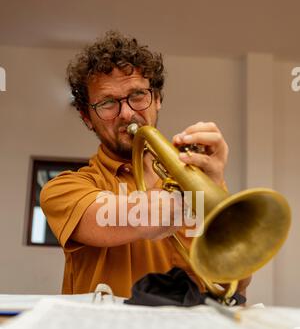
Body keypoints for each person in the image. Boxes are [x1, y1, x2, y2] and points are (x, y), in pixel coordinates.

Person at [40, 31, 251, 298]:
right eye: (107, 103)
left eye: (138, 95)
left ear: (158, 98)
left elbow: (236, 284)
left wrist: (215, 186)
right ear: (86, 117)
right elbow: (135, 215)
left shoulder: (199, 184)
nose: (127, 113)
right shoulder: (63, 189)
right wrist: (193, 198)